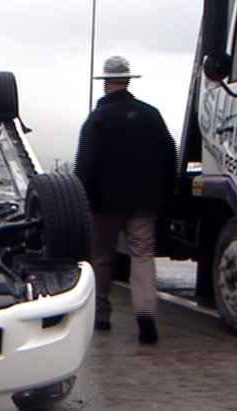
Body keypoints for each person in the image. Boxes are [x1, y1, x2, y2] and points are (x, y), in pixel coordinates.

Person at [74, 55, 177, 344]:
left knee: (102, 258)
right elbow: (171, 156)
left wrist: (83, 198)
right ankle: (145, 311)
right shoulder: (151, 115)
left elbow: (85, 163)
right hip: (145, 202)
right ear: (129, 80)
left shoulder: (98, 118)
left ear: (105, 82)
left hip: (104, 204)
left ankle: (101, 315)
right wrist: (165, 195)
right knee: (143, 254)